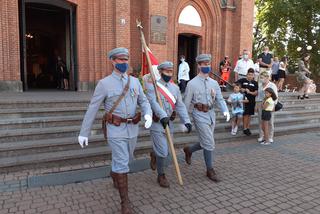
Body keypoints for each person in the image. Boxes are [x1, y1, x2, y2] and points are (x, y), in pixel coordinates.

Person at [77, 47, 152, 214]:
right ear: (112, 61)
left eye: (126, 60)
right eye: (120, 60)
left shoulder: (134, 82)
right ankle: (125, 203)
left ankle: (114, 172)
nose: (124, 63)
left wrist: (148, 114)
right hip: (115, 129)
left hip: (132, 128)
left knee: (127, 159)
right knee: (122, 162)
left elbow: (144, 101)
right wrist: (84, 131)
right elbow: (93, 108)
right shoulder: (104, 84)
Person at [183, 54, 230, 182]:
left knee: (206, 141)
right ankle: (210, 169)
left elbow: (219, 99)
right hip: (198, 114)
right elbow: (186, 104)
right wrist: (185, 120)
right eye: (204, 64)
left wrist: (225, 110)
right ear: (199, 65)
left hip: (211, 114)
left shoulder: (214, 83)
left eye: (208, 64)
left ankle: (189, 150)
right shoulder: (191, 84)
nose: (206, 66)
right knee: (209, 142)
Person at [144, 61, 192, 188]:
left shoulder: (175, 88)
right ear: (160, 72)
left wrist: (186, 121)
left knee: (164, 151)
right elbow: (153, 103)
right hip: (157, 123)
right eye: (166, 71)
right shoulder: (153, 86)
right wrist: (162, 115)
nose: (169, 74)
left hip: (169, 123)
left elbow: (180, 105)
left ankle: (154, 154)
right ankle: (161, 175)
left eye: (171, 71)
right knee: (164, 151)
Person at [256, 71, 278, 144]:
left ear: (267, 77)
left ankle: (270, 137)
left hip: (269, 104)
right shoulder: (260, 85)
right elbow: (258, 96)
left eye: (262, 77)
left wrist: (274, 105)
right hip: (260, 103)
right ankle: (262, 136)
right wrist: (256, 104)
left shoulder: (272, 85)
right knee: (260, 121)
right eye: (260, 78)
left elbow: (275, 96)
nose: (261, 79)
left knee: (270, 121)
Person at [236, 68, 258, 136]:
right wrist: (240, 89)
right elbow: (234, 85)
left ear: (253, 75)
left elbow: (256, 93)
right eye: (249, 74)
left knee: (249, 115)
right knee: (245, 115)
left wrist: (250, 92)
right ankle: (245, 128)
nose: (250, 76)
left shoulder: (255, 83)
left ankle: (248, 128)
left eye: (251, 75)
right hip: (244, 101)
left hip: (252, 101)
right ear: (246, 74)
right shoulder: (242, 80)